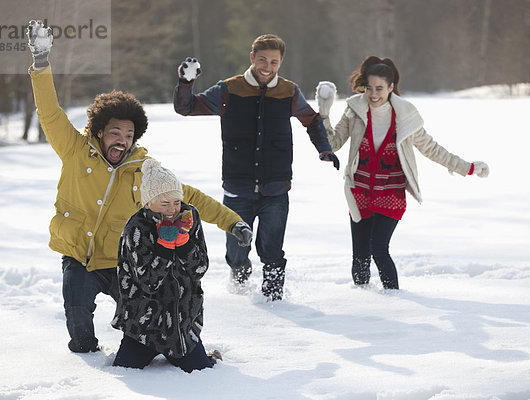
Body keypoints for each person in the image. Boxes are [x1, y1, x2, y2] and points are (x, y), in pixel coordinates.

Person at [25, 20, 253, 353]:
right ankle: (88, 358)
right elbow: (49, 113)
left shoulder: (145, 170)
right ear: (100, 130)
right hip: (78, 257)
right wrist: (41, 63)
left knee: (143, 320)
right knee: (78, 326)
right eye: (116, 132)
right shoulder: (75, 150)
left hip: (122, 262)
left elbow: (189, 197)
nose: (122, 140)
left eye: (129, 135)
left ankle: (159, 350)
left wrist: (233, 222)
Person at [173, 34, 340, 301]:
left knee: (272, 250)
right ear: (252, 58)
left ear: (280, 63)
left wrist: (324, 149)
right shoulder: (229, 89)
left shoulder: (288, 91)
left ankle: (275, 300)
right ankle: (239, 286)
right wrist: (185, 82)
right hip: (238, 188)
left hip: (276, 187)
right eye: (262, 59)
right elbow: (187, 107)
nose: (267, 66)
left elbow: (311, 120)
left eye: (274, 62)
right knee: (237, 253)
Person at [315, 56, 490, 290]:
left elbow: (432, 149)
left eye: (379, 88)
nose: (373, 94)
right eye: (369, 88)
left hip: (391, 194)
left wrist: (466, 167)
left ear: (390, 87)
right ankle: (359, 303)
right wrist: (324, 113)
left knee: (378, 248)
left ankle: (394, 300)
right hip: (360, 192)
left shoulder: (405, 117)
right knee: (360, 255)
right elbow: (333, 143)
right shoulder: (354, 110)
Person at [112, 159, 219, 371]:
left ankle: (201, 353)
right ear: (147, 203)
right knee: (124, 369)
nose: (172, 209)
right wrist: (164, 248)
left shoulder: (190, 217)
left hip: (181, 326)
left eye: (176, 202)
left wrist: (185, 245)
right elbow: (148, 282)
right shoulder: (136, 227)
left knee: (202, 370)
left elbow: (200, 269)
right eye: (164, 204)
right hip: (142, 325)